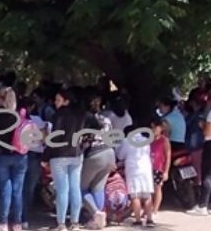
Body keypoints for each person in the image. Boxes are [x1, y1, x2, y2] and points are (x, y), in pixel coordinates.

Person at [43, 88, 88, 231]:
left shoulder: (58, 116)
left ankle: (61, 223)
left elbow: (54, 137)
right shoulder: (81, 115)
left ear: (66, 101)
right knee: (75, 188)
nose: (56, 103)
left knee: (62, 189)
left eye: (58, 100)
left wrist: (45, 156)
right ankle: (75, 223)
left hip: (59, 154)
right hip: (76, 154)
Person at [0, 88, 28, 231]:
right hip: (20, 156)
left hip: (0, 156)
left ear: (0, 99)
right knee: (18, 190)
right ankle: (17, 223)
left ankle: (3, 222)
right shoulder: (20, 115)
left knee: (5, 190)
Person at [81, 89, 116, 229]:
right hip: (109, 153)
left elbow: (84, 141)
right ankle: (99, 220)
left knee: (80, 188)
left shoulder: (87, 120)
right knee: (98, 188)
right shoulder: (106, 119)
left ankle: (96, 214)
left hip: (94, 155)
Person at [117, 126, 155, 227]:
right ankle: (150, 220)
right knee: (147, 195)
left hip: (134, 170)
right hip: (146, 169)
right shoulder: (146, 140)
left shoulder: (126, 141)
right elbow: (148, 153)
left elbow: (120, 156)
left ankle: (137, 220)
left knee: (135, 195)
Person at [20, 96, 47, 230]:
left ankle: (14, 217)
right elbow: (44, 139)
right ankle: (24, 218)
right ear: (32, 106)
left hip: (20, 154)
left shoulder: (17, 119)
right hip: (35, 156)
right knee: (29, 189)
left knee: (17, 188)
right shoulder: (38, 121)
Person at [150, 118, 171, 217]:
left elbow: (168, 157)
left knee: (157, 188)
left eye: (155, 127)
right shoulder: (149, 139)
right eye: (152, 127)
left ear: (161, 128)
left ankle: (155, 210)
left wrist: (166, 171)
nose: (153, 129)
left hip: (159, 168)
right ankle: (149, 209)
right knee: (150, 190)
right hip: (149, 167)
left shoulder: (164, 140)